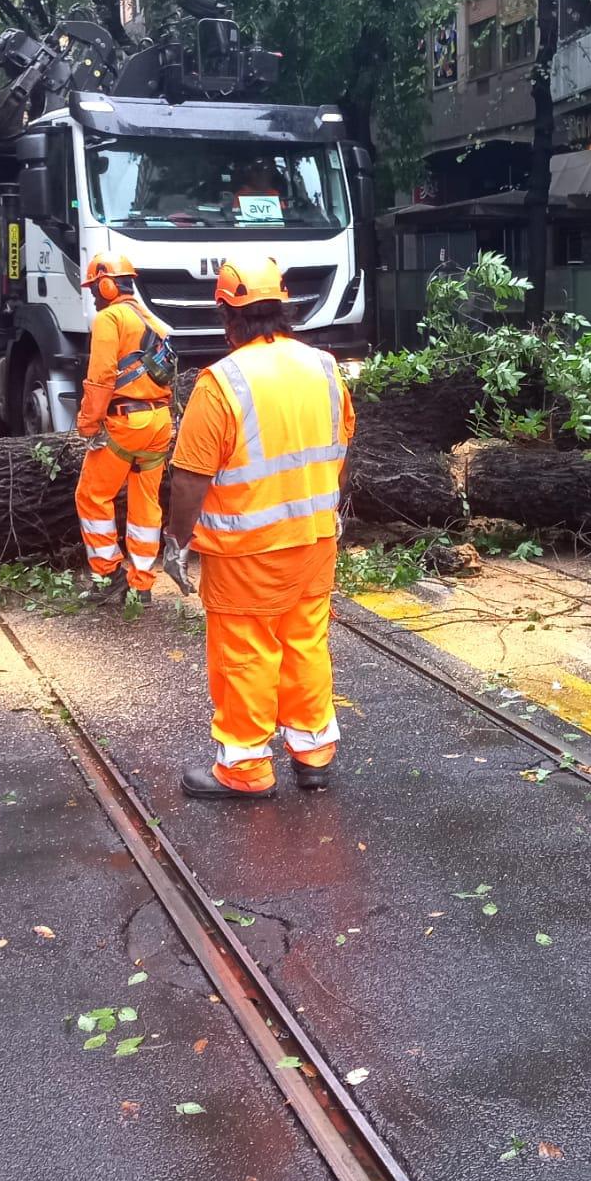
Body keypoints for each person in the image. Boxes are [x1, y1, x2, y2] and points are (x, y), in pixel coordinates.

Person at [160, 256, 354, 799]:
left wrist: (177, 542)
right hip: (315, 538)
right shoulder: (324, 366)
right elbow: (340, 446)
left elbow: (190, 477)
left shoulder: (221, 382)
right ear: (284, 307)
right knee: (305, 640)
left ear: (228, 313)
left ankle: (245, 769)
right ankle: (313, 754)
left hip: (247, 549)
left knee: (246, 649)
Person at [73, 252, 176, 611]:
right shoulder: (153, 321)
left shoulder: (110, 317)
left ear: (106, 284)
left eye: (94, 289)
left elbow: (100, 377)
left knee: (91, 496)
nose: (94, 297)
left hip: (125, 422)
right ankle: (142, 585)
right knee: (145, 503)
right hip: (159, 422)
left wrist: (87, 423)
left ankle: (107, 573)